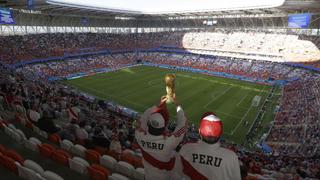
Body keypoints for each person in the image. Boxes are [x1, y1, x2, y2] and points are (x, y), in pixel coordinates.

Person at [174, 112, 241, 180]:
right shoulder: (231, 157)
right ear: (220, 134)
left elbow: (175, 176)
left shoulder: (186, 149)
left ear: (199, 131)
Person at [135, 95, 188, 180]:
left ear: (148, 125)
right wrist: (177, 105)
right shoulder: (168, 142)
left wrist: (157, 106)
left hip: (148, 177)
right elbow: (183, 126)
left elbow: (142, 118)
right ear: (163, 128)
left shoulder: (139, 136)